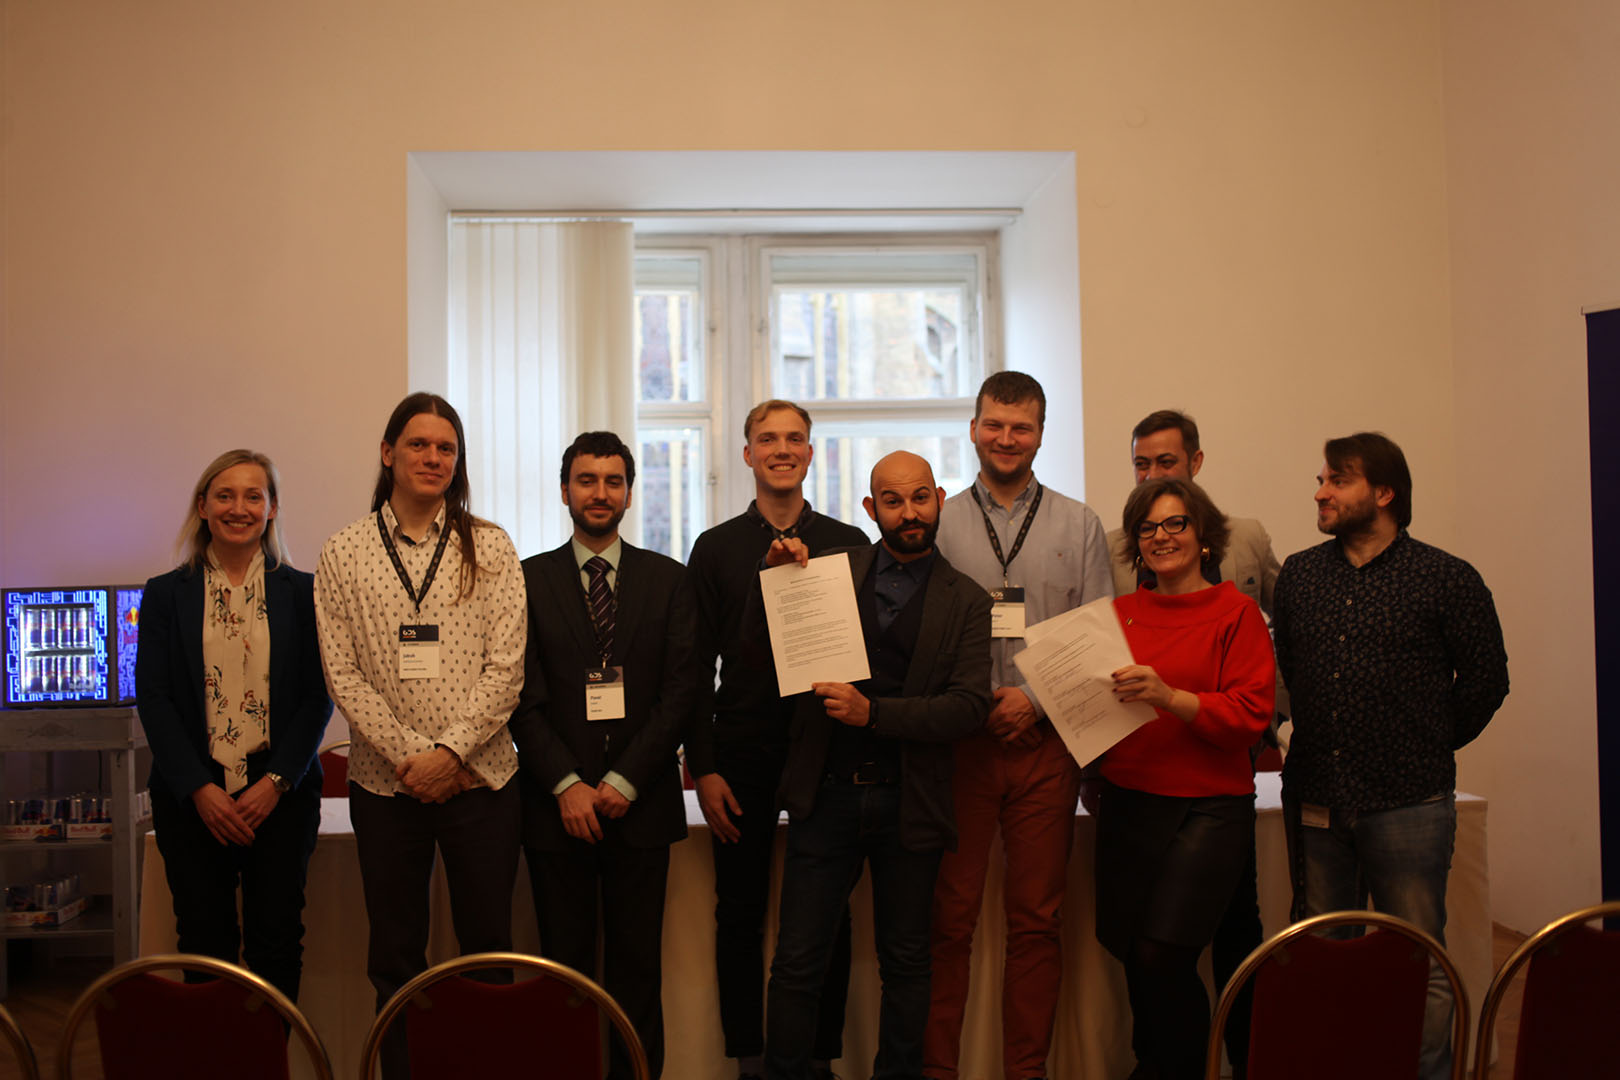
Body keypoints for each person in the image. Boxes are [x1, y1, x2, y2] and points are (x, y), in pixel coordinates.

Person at [1274, 432, 1508, 1080]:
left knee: (1419, 956)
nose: (1320, 492)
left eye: (1337, 480)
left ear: (1383, 493)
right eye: (1321, 479)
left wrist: (1426, 740)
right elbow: (1291, 668)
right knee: (1323, 950)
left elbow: (1487, 680)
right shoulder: (1299, 575)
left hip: (1410, 802)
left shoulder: (1447, 578)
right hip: (1319, 794)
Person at [313, 392, 526, 1079]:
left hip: (481, 780)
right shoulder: (344, 551)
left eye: (446, 448)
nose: (433, 458)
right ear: (388, 453)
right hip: (387, 786)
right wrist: (415, 760)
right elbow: (342, 673)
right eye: (418, 444)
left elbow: (508, 667)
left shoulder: (490, 545)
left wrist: (450, 753)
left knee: (488, 953)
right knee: (396, 957)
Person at [761, 450, 991, 1080]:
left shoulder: (968, 601)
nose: (909, 512)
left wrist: (874, 714)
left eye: (920, 497)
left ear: (939, 499)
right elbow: (773, 644)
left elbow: (969, 708)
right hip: (825, 794)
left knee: (908, 963)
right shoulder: (829, 574)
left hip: (911, 802)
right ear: (871, 508)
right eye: (892, 501)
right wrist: (778, 579)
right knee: (797, 962)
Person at [926, 372, 1112, 1080]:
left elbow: (1096, 636)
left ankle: (1025, 1072)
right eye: (995, 425)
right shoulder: (939, 522)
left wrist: (1032, 700)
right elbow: (923, 634)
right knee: (949, 923)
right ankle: (938, 1071)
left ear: (1040, 434)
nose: (1007, 438)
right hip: (961, 750)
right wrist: (980, 701)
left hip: (1046, 746)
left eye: (1021, 427)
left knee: (1037, 923)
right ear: (974, 428)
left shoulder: (1079, 524)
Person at [684, 401, 868, 1080]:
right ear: (748, 455)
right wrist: (703, 767)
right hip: (741, 750)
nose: (782, 449)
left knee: (829, 913)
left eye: (795, 439)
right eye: (768, 439)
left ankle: (817, 1058)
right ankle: (748, 1058)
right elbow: (693, 670)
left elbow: (867, 655)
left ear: (811, 454)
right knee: (739, 912)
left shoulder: (850, 542)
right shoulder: (715, 548)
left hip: (827, 748)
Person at [509, 431, 696, 1080]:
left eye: (613, 481)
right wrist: (567, 783)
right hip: (555, 811)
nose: (600, 492)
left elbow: (681, 693)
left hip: (640, 809)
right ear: (565, 491)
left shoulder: (669, 580)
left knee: (638, 971)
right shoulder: (526, 580)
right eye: (586, 480)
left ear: (629, 494)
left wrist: (624, 779)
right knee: (563, 971)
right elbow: (518, 695)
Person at [1105, 408, 1283, 1076]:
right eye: (1148, 528)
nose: (1162, 537)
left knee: (1163, 953)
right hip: (1128, 801)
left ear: (1202, 534)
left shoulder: (1236, 612)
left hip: (1207, 807)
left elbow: (1250, 715)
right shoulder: (1117, 615)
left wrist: (1170, 697)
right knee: (1132, 949)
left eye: (1176, 523)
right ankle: (1156, 1065)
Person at [137, 449, 332, 1003]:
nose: (238, 508)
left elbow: (317, 697)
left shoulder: (304, 592)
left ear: (272, 509)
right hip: (191, 799)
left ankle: (269, 1047)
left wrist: (276, 783)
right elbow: (154, 698)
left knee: (277, 943)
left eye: (253, 496)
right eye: (225, 495)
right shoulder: (165, 594)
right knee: (205, 945)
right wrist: (200, 789)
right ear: (203, 506)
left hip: (280, 797)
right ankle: (217, 1049)